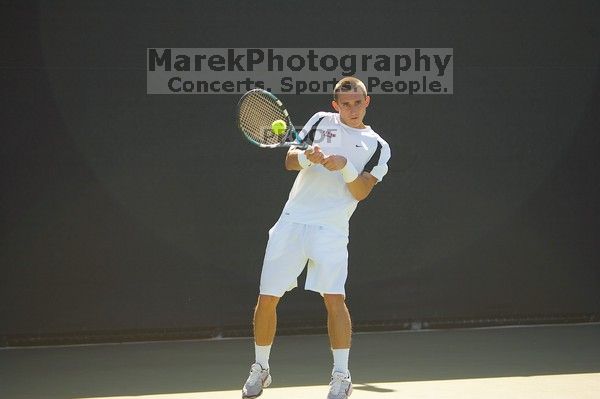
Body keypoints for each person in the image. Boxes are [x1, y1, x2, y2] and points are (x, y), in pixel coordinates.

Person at [241, 77, 391, 399]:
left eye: (357, 102)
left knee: (335, 300)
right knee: (267, 298)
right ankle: (260, 368)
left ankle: (341, 375)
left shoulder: (378, 146)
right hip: (292, 223)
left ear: (368, 102)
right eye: (345, 104)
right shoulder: (322, 121)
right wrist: (308, 157)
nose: (352, 109)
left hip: (331, 230)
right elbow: (289, 160)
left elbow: (361, 191)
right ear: (336, 105)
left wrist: (346, 166)